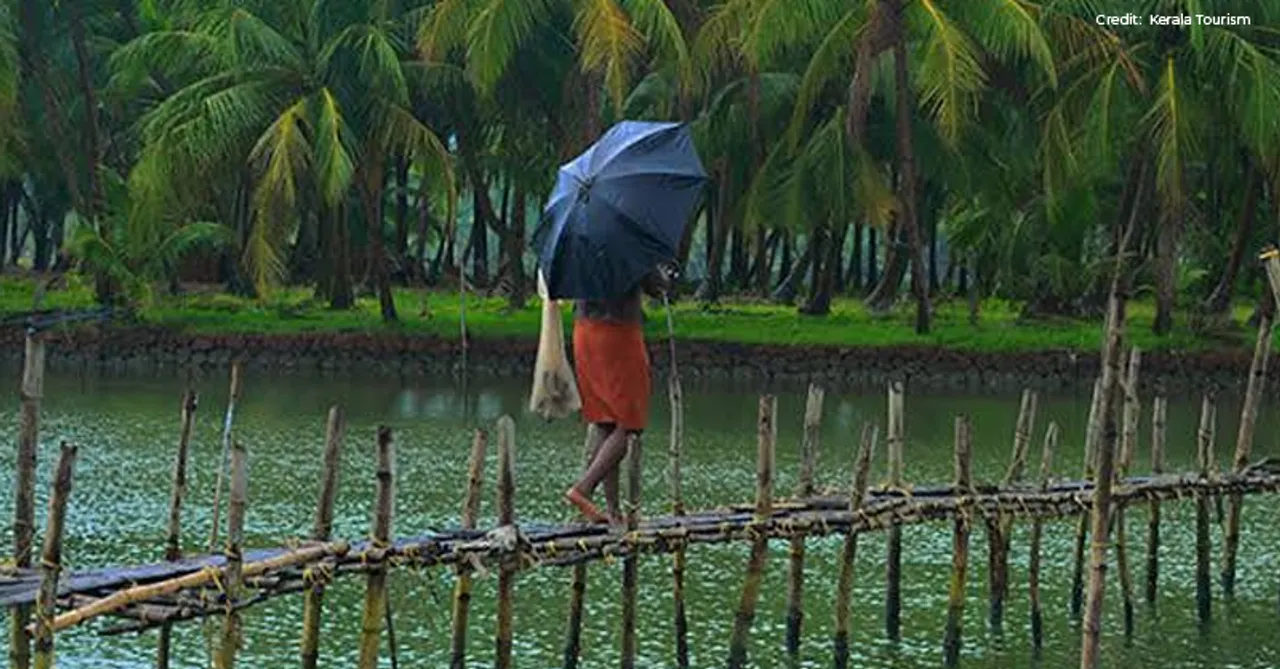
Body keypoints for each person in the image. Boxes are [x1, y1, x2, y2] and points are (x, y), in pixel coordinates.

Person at [563, 264, 675, 524]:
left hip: (585, 332)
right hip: (618, 334)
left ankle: (613, 512)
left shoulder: (582, 243)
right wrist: (664, 274)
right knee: (630, 424)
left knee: (605, 421)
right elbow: (656, 286)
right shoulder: (630, 243)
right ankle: (583, 489)